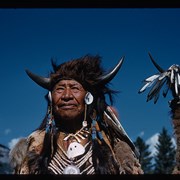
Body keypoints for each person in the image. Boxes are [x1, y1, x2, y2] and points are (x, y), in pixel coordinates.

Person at [9, 54, 143, 174]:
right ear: (51, 98)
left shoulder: (113, 145)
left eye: (74, 88)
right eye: (60, 89)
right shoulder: (35, 143)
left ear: (88, 97)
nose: (66, 96)